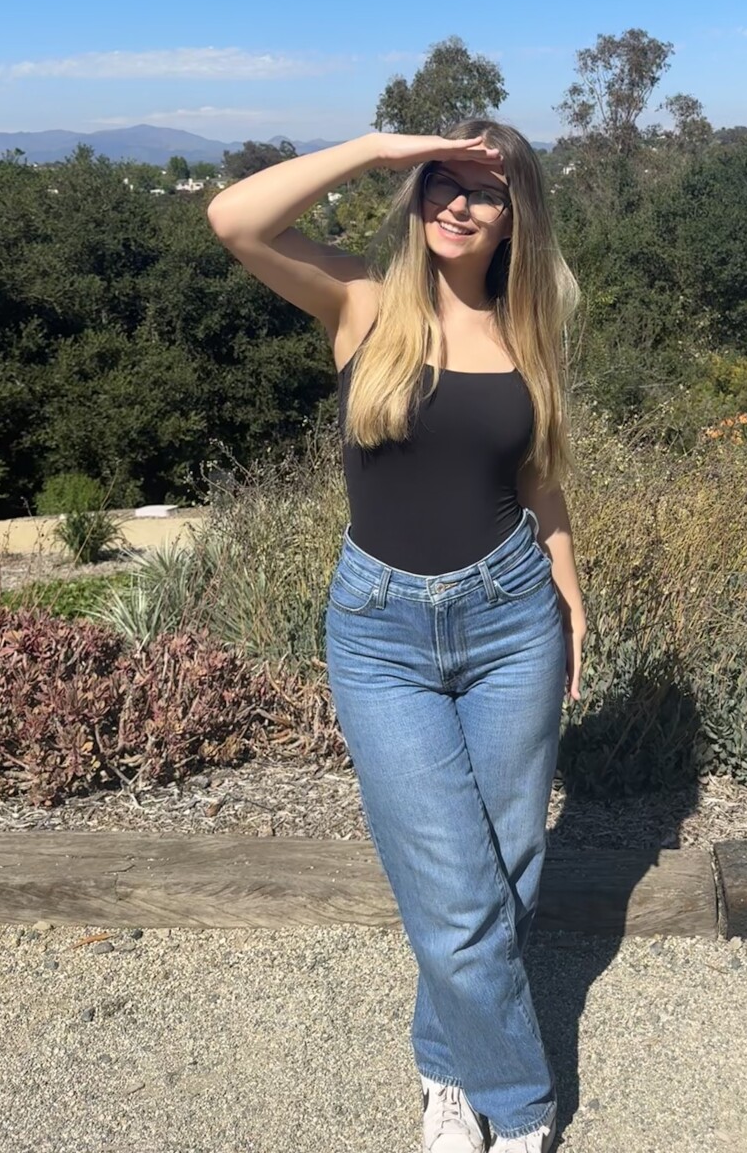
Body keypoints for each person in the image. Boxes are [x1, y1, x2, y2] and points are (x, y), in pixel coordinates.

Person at [207, 121, 588, 1152]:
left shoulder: (530, 329)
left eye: (485, 190)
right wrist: (378, 146)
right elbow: (234, 219)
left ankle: (444, 1071)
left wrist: (569, 588)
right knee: (456, 892)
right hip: (380, 634)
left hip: (513, 615)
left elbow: (539, 479)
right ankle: (523, 1109)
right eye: (440, 183)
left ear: (517, 216)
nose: (459, 204)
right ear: (416, 195)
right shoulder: (362, 304)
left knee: (505, 871)